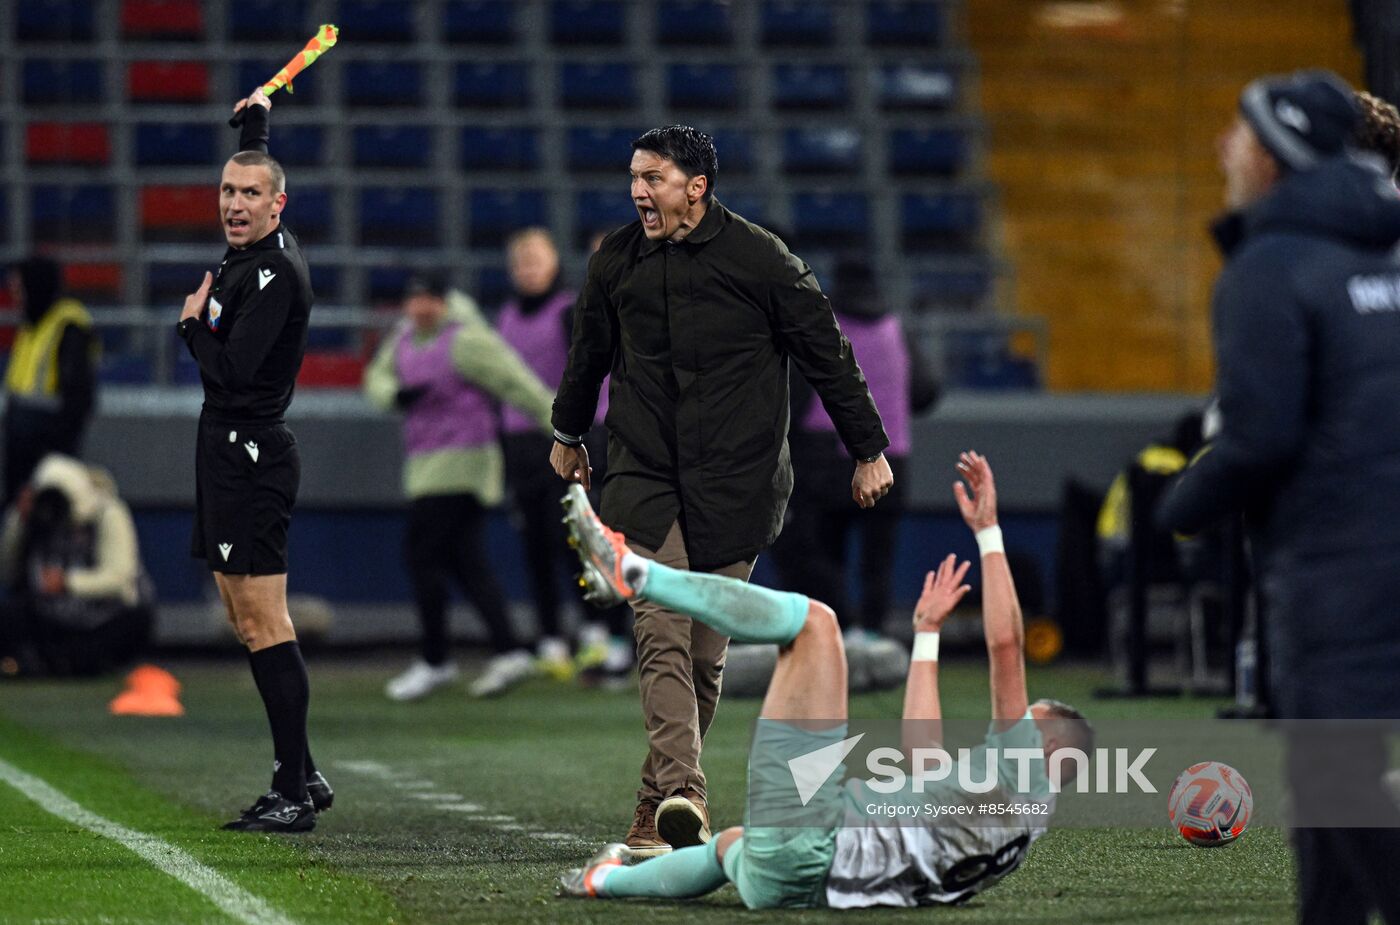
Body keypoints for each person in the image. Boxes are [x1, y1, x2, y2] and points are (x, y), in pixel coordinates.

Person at [549, 125, 894, 856]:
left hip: (737, 481)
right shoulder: (615, 260)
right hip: (642, 470)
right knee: (659, 622)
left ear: (696, 188)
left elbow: (827, 352)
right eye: (634, 177)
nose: (639, 190)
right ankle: (686, 790)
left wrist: (868, 448)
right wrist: (569, 434)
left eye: (654, 178)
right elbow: (590, 353)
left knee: (706, 656)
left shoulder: (763, 260)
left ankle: (655, 804)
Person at [558, 450, 1091, 908]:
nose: (1016, 720)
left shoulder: (1022, 770)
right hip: (799, 880)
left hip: (815, 844)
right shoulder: (1019, 826)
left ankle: (634, 572)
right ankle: (602, 880)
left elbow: (1004, 649)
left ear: (1047, 745)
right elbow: (922, 759)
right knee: (732, 846)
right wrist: (926, 634)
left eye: (1028, 719)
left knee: (816, 625)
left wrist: (989, 534)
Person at [1157, 70, 1400, 924]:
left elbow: (1262, 439)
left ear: (1273, 153)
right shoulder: (1385, 246)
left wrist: (1180, 507)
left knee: (1335, 776)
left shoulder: (1270, 266)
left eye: (1240, 133)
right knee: (1325, 781)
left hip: (1334, 562)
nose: (1226, 148)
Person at [175, 88, 330, 832]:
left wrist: (189, 328)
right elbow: (259, 157)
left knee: (264, 621)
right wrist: (258, 117)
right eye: (227, 191)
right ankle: (302, 769)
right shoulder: (250, 252)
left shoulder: (274, 276)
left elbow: (231, 371)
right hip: (226, 452)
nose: (235, 204)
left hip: (251, 453)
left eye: (250, 194)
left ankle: (292, 790)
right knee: (246, 616)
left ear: (279, 206)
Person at [364, 274, 555, 700]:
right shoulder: (403, 339)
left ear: (445, 301)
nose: (420, 308)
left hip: (465, 464)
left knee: (421, 555)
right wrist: (395, 395)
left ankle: (436, 659)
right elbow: (376, 378)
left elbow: (515, 381)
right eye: (413, 299)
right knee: (466, 561)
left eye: (430, 298)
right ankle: (508, 649)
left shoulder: (466, 341)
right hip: (425, 465)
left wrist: (560, 426)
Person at [776, 257, 940, 646]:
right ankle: (872, 633)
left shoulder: (824, 324)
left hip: (825, 457)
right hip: (891, 456)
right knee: (878, 560)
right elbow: (926, 389)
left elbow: (796, 393)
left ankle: (836, 628)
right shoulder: (897, 329)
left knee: (820, 550)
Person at [494, 228, 631, 683]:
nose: (528, 269)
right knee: (536, 545)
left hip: (568, 440)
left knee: (581, 540)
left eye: (536, 260)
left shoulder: (569, 313)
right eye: (520, 262)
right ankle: (551, 640)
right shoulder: (506, 318)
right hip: (521, 445)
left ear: (554, 264)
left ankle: (599, 634)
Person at [0, 454, 152, 677]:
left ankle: (63, 662)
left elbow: (119, 577)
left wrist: (68, 582)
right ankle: (43, 661)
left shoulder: (106, 513)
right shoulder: (34, 518)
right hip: (49, 619)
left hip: (102, 620)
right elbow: (6, 573)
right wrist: (18, 522)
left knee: (137, 620)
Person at [3, 256, 98, 506]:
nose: (14, 296)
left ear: (35, 287)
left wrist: (51, 460)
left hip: (51, 461)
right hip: (19, 457)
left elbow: (77, 402)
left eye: (19, 288)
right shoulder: (30, 328)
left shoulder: (69, 327)